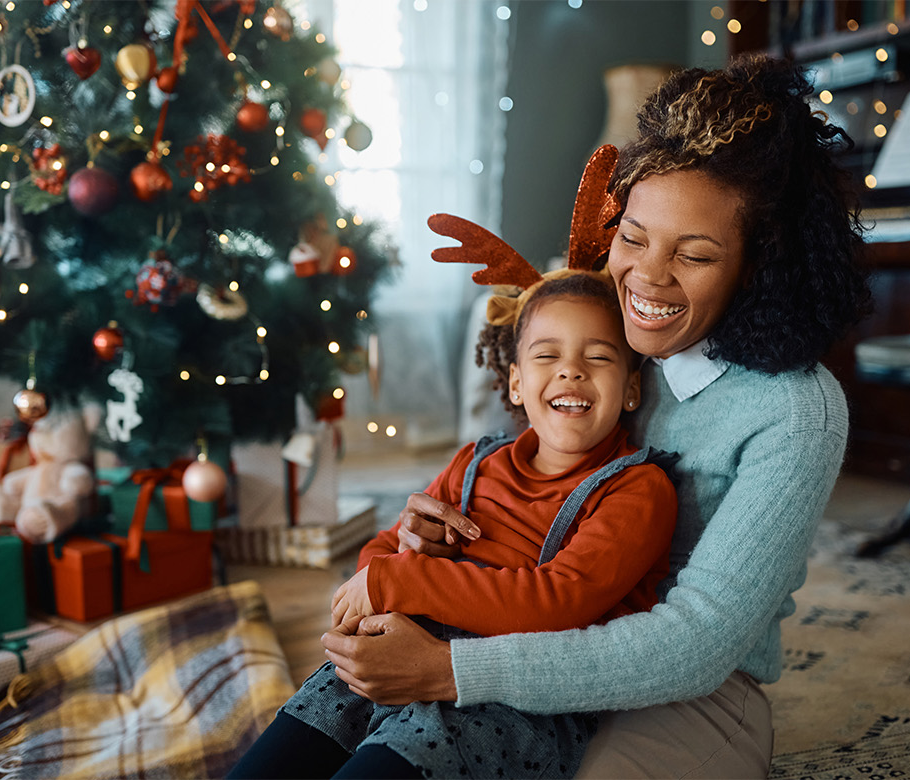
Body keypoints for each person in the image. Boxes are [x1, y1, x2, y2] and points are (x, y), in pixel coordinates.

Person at [319, 54, 872, 778]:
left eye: (695, 255)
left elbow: (693, 647)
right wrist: (432, 542)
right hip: (526, 636)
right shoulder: (601, 339)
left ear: (758, 265)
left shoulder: (796, 413)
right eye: (634, 237)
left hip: (685, 688)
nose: (646, 277)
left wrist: (451, 671)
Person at [228, 270, 680, 779]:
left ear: (632, 388)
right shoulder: (476, 462)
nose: (571, 371)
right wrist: (399, 559)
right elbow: (378, 555)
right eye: (546, 355)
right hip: (394, 654)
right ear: (515, 381)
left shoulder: (638, 488)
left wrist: (400, 579)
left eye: (597, 356)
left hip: (507, 702)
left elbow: (559, 601)